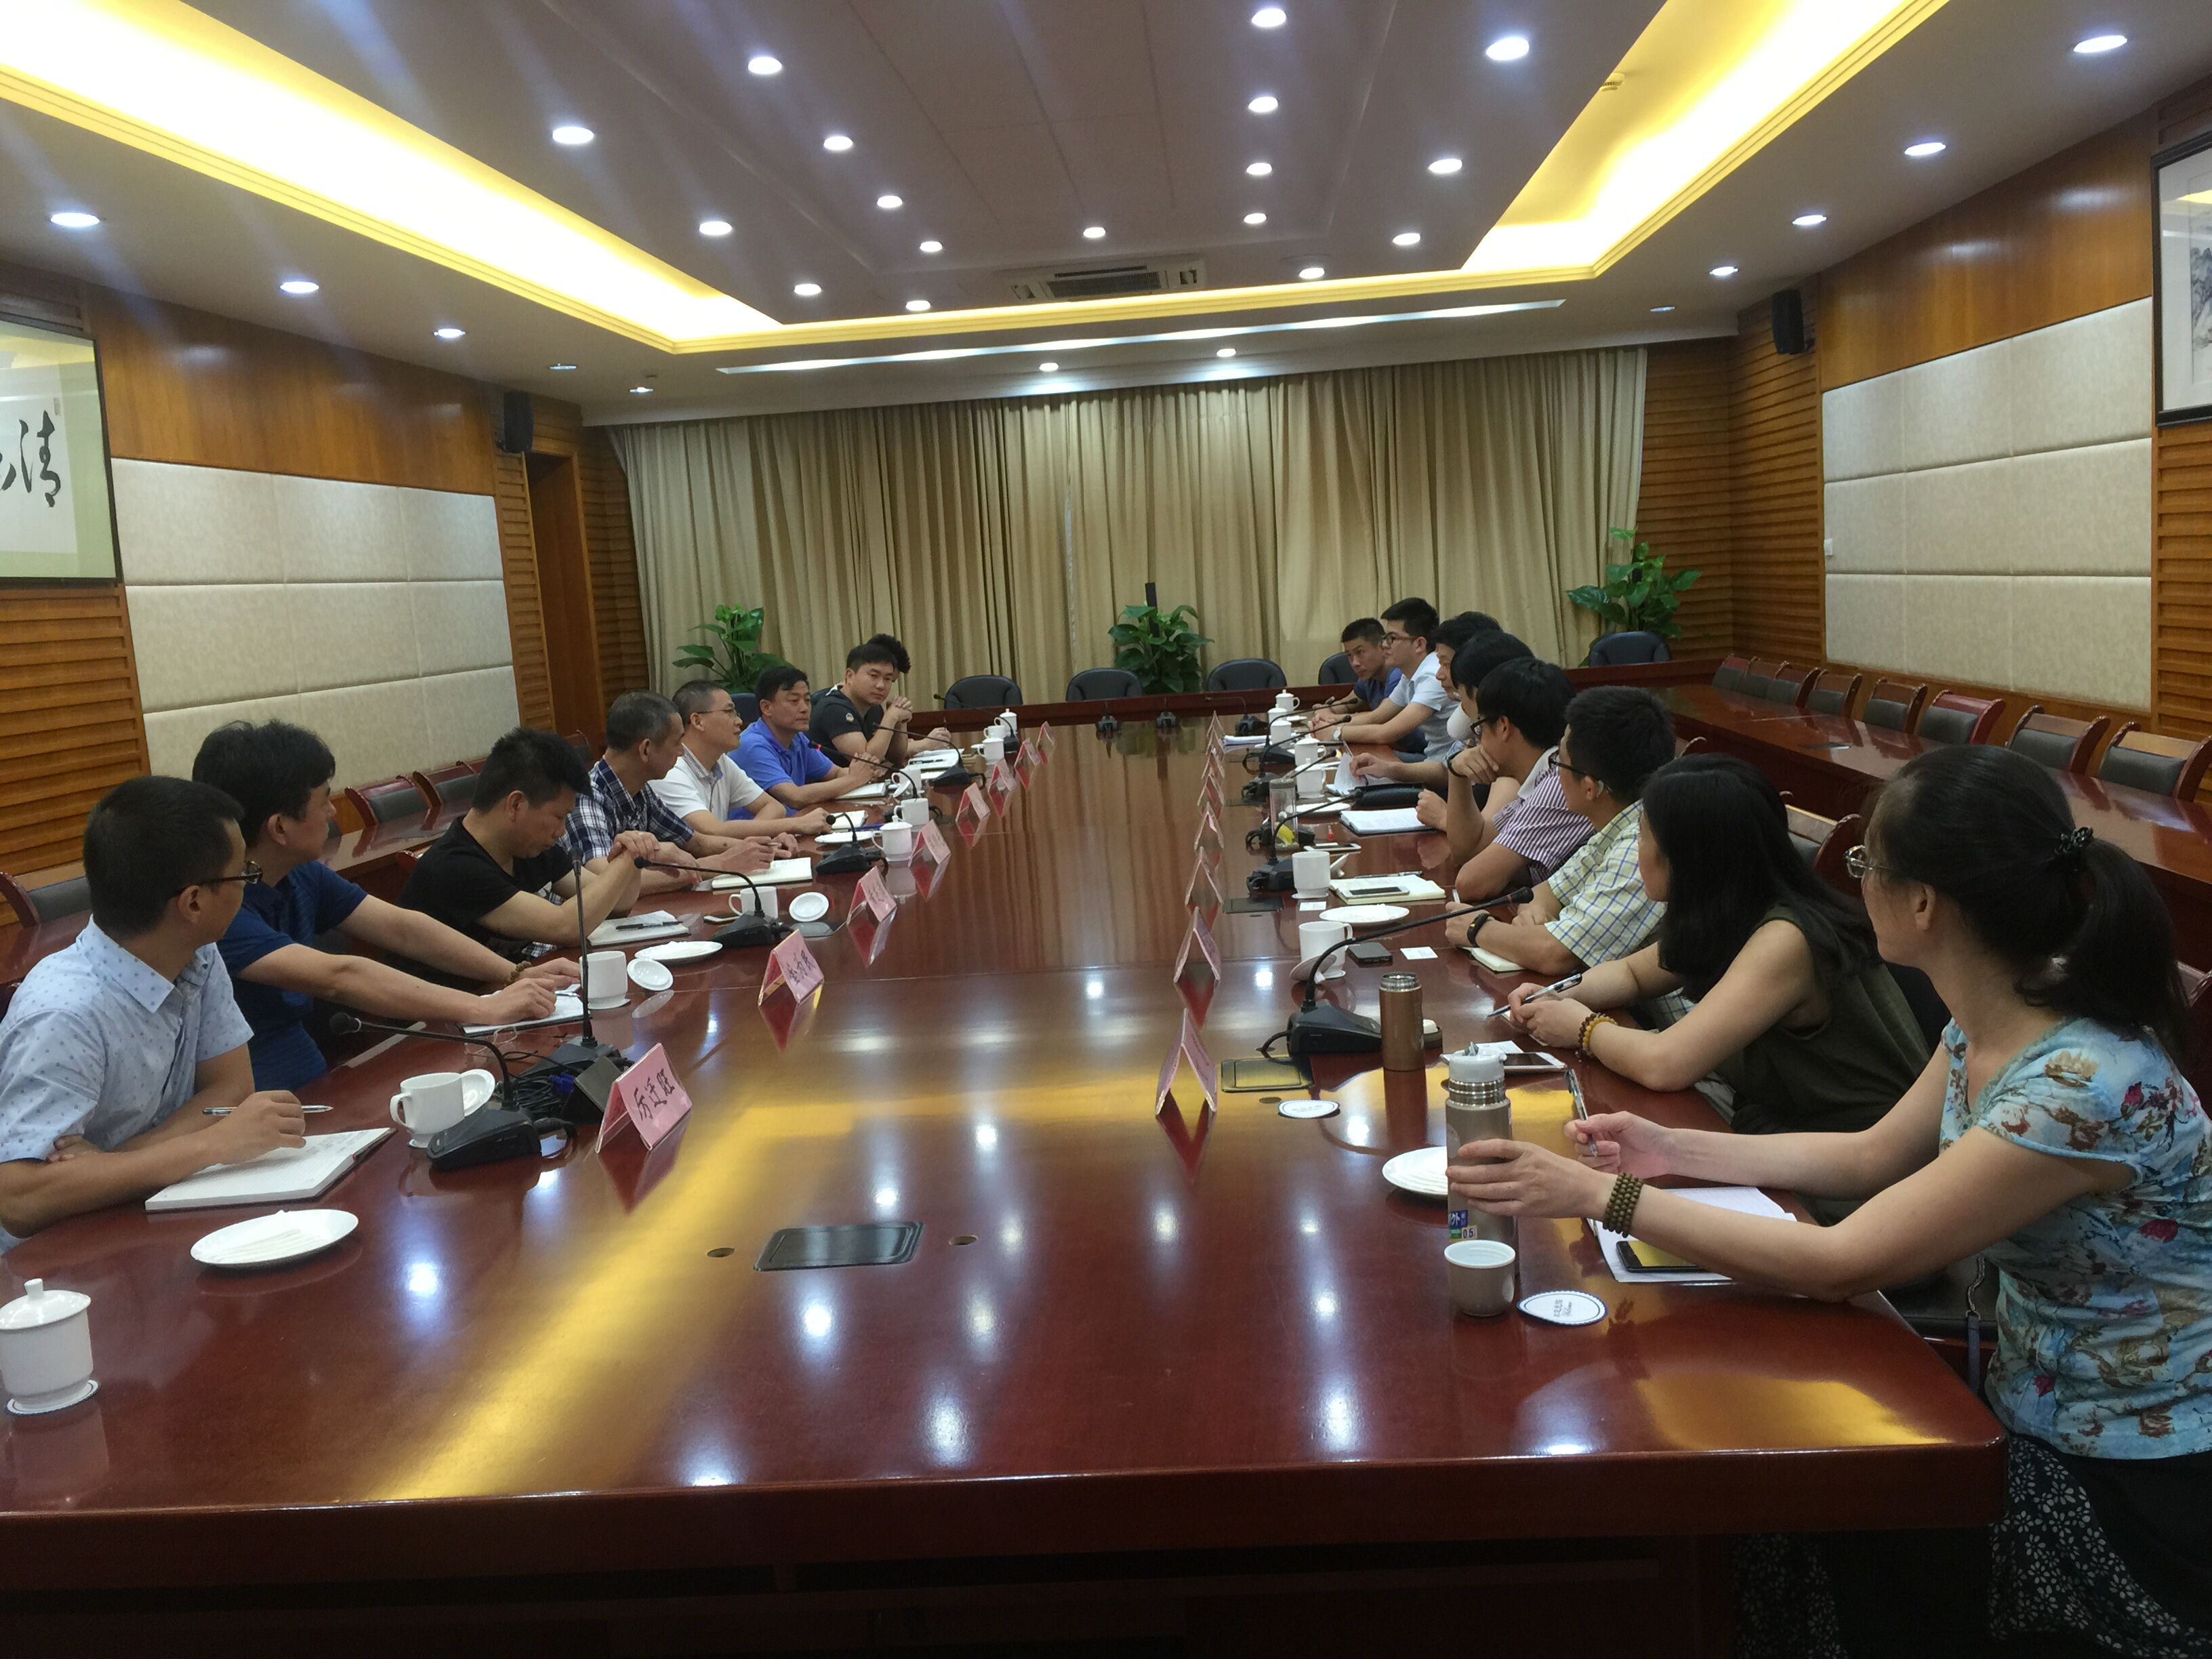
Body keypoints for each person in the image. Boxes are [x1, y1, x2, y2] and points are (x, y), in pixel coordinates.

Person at [1449, 743, 2212, 1656]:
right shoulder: (1995, 1018)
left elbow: (1839, 1263)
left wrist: (1597, 1194)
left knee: (1781, 1514)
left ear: (1923, 903)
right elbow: (1869, 1154)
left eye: (1866, 864)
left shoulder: (2078, 1086)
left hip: (2136, 1486)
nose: (1855, 883)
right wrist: (1670, 1148)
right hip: (2030, 1407)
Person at [1507, 754, 1930, 1151]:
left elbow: (1664, 1064)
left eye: (1642, 835)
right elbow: (1632, 975)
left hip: (1852, 1156)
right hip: (1787, 1130)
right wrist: (1557, 997)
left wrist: (1583, 1027)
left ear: (1687, 856)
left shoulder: (1786, 939)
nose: (1637, 850)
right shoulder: (1730, 911)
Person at [0, 777, 306, 1248]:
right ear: (193, 902)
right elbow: (19, 1199)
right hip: (59, 1259)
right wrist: (208, 1145)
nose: (250, 883)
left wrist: (113, 1164)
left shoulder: (196, 953)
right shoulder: (64, 1015)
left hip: (144, 1212)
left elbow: (229, 1086)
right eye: (243, 874)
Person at [190, 721, 578, 1090]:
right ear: (280, 828)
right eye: (324, 800)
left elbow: (402, 928)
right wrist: (483, 1009)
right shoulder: (220, 909)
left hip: (314, 1080)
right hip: (256, 1099)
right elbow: (341, 977)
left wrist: (515, 974)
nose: (332, 812)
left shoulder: (300, 873)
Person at [1443, 685, 1674, 975]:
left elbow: (1557, 954)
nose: (1555, 774)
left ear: (1590, 788)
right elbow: (1543, 895)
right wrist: (1536, 914)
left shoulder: (1639, 848)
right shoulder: (1614, 827)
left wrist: (1478, 928)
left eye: (1560, 762)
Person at [401, 727, 657, 958]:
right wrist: (625, 862)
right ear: (516, 805)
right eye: (558, 817)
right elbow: (566, 926)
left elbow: (617, 905)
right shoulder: (456, 867)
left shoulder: (529, 848)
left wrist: (630, 854)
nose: (561, 831)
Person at [564, 691, 773, 897]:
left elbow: (696, 842)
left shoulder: (640, 789)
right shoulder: (586, 799)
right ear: (646, 749)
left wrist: (761, 847)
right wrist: (719, 864)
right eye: (677, 743)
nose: (682, 752)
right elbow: (605, 884)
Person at [1435, 658, 1589, 901]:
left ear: (1503, 727)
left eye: (1480, 728)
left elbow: (1471, 883)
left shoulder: (1558, 784)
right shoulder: (1540, 776)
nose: (1478, 742)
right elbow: (1469, 851)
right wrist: (1456, 773)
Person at [1351, 616, 1525, 807]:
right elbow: (1446, 771)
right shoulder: (1470, 717)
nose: (1439, 674)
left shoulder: (1506, 731)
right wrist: (1389, 769)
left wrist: (1444, 817)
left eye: (1446, 664)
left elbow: (1488, 824)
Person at [657, 680, 827, 844]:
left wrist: (756, 840)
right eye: (729, 712)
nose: (738, 721)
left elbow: (774, 807)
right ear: (698, 721)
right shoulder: (670, 772)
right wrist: (798, 824)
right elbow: (711, 831)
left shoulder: (721, 761)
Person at [1307, 598, 1452, 760]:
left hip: (1447, 766)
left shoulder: (1432, 676)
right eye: (1385, 638)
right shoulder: (1409, 674)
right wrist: (1329, 721)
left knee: (1366, 763)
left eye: (1392, 638)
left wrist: (1335, 732)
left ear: (1419, 644)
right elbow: (1376, 717)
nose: (1384, 645)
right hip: (1434, 759)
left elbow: (1385, 732)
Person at [737, 665, 874, 811]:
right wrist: (854, 779)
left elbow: (836, 773)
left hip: (795, 822)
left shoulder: (798, 739)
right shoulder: (751, 745)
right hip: (762, 826)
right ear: (766, 708)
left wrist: (865, 771)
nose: (804, 709)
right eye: (794, 701)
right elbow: (795, 797)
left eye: (807, 700)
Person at [809, 635, 956, 769]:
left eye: (888, 679)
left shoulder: (873, 707)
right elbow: (867, 761)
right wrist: (890, 717)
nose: (881, 685)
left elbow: (895, 757)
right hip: (830, 787)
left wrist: (900, 722)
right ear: (850, 676)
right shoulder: (833, 708)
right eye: (874, 676)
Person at [1319, 618, 1402, 717]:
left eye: (1360, 652)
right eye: (1349, 655)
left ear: (1382, 646)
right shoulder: (1369, 677)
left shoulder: (1399, 674)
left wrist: (1332, 718)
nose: (1355, 663)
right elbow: (1347, 705)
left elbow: (1381, 717)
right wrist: (1325, 710)